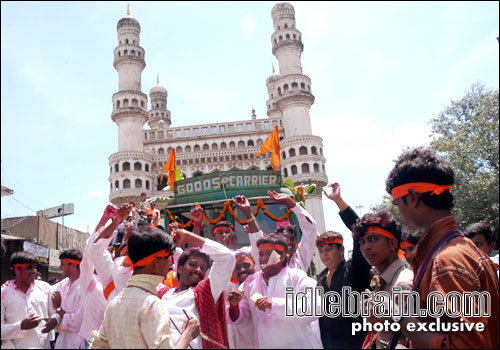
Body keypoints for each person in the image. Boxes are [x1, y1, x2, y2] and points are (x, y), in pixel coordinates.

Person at [385, 148, 499, 349]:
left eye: (397, 204)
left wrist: (397, 316)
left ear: (412, 197)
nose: (399, 214)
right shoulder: (458, 250)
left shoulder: (448, 261)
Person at [90, 225, 199, 349]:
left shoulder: (115, 303)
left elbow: (98, 345)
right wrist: (188, 334)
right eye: (167, 258)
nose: (170, 263)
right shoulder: (151, 304)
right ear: (156, 261)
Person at [227, 234, 323, 349]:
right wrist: (234, 306)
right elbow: (240, 316)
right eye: (261, 254)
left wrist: (275, 305)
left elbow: (315, 307)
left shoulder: (297, 277)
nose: (263, 259)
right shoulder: (249, 283)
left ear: (282, 257)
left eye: (268, 254)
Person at [162, 225, 235, 349]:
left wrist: (189, 237)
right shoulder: (163, 293)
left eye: (203, 268)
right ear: (179, 268)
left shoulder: (206, 291)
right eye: (193, 264)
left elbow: (227, 258)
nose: (198, 270)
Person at [353, 211, 413, 349]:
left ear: (392, 243)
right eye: (362, 242)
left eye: (373, 239)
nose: (366, 247)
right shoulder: (382, 282)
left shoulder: (403, 283)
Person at [233, 190, 318, 273]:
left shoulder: (300, 258)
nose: (289, 242)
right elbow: (257, 238)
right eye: (285, 239)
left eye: (292, 239)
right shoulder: (267, 261)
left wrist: (290, 202)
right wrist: (248, 213)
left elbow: (311, 227)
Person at [315, 231, 371, 349]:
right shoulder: (320, 280)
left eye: (328, 249)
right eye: (321, 251)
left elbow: (360, 233)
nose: (324, 255)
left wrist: (345, 212)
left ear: (341, 250)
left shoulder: (353, 270)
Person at [1, 251, 54, 348]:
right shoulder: (4, 294)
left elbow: (55, 314)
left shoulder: (45, 288)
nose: (34, 271)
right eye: (29, 268)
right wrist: (20, 326)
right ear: (17, 270)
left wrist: (54, 320)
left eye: (35, 267)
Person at [44, 249, 85, 349]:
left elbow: (77, 324)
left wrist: (58, 309)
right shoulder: (64, 285)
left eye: (63, 264)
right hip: (63, 341)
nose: (60, 267)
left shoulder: (84, 288)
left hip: (78, 342)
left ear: (73, 265)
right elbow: (46, 291)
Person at [226, 252, 256, 349]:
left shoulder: (259, 286)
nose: (242, 270)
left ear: (254, 267)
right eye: (237, 268)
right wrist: (233, 306)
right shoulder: (232, 289)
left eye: (247, 265)